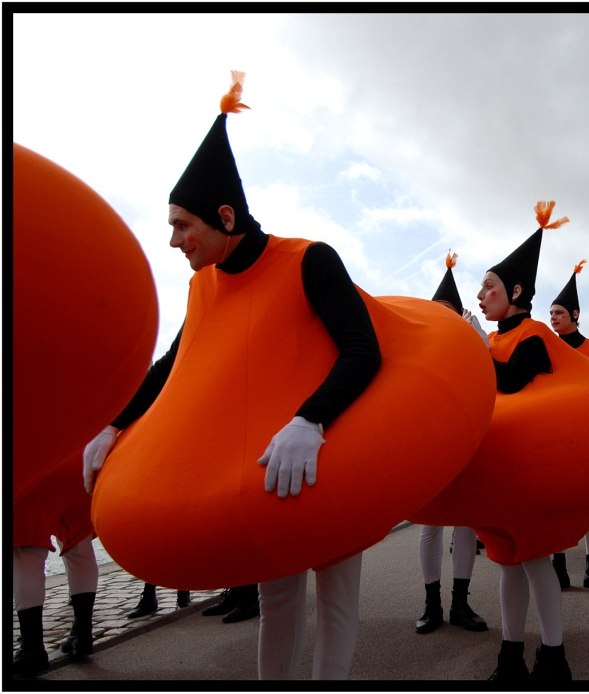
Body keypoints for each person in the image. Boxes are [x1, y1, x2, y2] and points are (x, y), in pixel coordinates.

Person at [82, 72, 382, 680]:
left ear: (224, 215)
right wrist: (115, 424)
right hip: (264, 471)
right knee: (276, 601)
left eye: (181, 225)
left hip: (329, 449)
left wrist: (311, 418)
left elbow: (362, 349)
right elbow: (174, 367)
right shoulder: (202, 286)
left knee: (337, 599)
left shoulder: (309, 260)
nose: (174, 241)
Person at [477, 202, 571, 682]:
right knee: (508, 565)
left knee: (533, 561)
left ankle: (554, 660)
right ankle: (510, 658)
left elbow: (513, 382)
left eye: (488, 287)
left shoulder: (533, 334)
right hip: (499, 467)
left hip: (529, 466)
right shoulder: (492, 340)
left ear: (515, 291)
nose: (479, 295)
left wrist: (470, 351)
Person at [414, 251, 488, 635]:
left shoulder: (471, 332)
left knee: (464, 523)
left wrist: (472, 330)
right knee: (430, 525)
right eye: (436, 308)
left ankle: (461, 602)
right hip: (430, 439)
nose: (440, 314)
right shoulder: (419, 337)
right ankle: (432, 604)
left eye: (448, 309)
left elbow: (488, 364)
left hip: (465, 437)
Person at [547, 260, 589, 593]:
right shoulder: (545, 351)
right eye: (550, 314)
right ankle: (558, 566)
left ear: (575, 315)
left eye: (559, 313)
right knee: (559, 506)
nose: (553, 319)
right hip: (558, 438)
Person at [13, 453, 99, 677]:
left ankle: (31, 648)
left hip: (33, 469)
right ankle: (82, 633)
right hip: (75, 465)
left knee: (26, 554)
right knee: (79, 548)